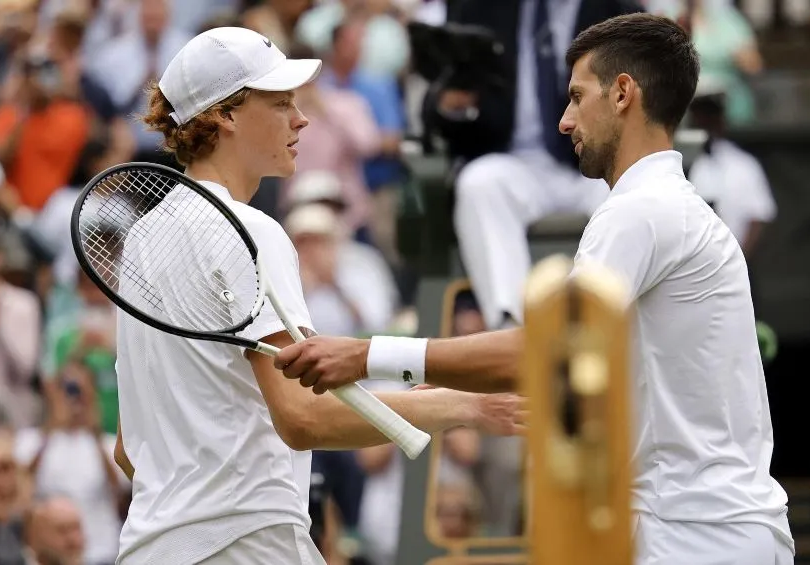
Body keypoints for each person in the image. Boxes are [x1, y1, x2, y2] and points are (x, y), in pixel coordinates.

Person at [275, 13, 795, 564]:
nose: (565, 121)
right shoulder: (663, 205)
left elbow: (545, 351)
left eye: (576, 97)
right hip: (697, 530)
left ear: (623, 94)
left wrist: (365, 355)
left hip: (696, 537)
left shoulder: (641, 211)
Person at [112, 26, 524, 565]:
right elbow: (302, 418)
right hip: (245, 543)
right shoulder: (251, 231)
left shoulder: (143, 239)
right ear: (225, 116)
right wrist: (459, 404)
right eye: (281, 103)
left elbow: (129, 449)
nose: (301, 118)